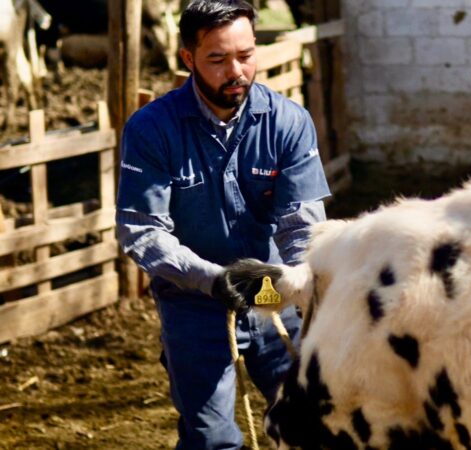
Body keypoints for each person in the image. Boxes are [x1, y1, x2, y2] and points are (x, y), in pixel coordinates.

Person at [115, 0, 330, 448]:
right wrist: (214, 280)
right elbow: (142, 230)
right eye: (217, 59)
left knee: (311, 426)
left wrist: (303, 287)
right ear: (188, 58)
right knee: (211, 437)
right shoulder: (152, 128)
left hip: (273, 293)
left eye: (246, 55)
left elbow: (300, 226)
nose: (236, 71)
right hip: (193, 302)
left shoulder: (288, 122)